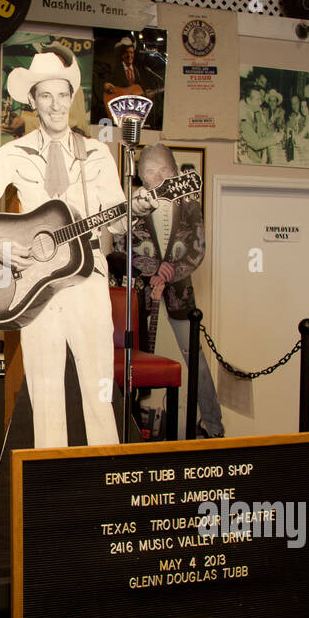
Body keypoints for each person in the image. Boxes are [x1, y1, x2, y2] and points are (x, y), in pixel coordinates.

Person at [0, 47, 157, 448]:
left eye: (63, 95)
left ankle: (105, 486)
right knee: (45, 393)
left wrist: (137, 209)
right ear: (32, 102)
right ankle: (52, 496)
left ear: (72, 98)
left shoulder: (97, 153)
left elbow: (114, 220)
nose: (56, 105)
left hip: (89, 280)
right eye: (45, 96)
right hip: (36, 284)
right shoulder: (14, 153)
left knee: (100, 391)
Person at [136, 145, 224, 438]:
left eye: (164, 170)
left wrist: (171, 269)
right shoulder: (134, 203)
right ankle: (133, 418)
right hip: (141, 292)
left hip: (180, 293)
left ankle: (212, 424)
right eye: (150, 172)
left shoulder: (189, 202)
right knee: (134, 354)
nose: (158, 177)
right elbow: (125, 247)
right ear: (142, 177)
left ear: (174, 172)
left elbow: (197, 247)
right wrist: (151, 270)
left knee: (194, 355)